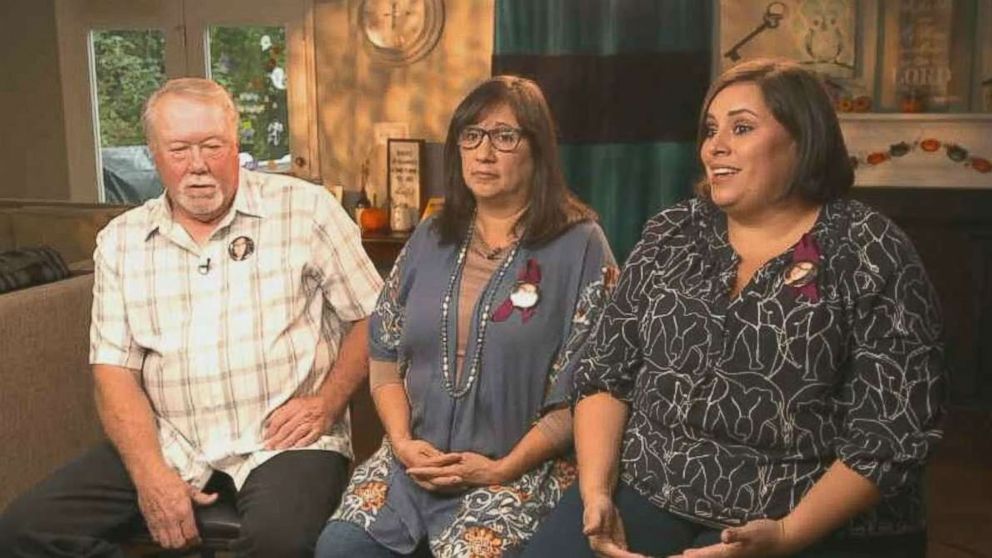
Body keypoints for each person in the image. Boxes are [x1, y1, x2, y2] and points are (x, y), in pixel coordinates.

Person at [523, 59, 946, 558]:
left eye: (741, 128)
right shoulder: (672, 232)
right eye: (710, 130)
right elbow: (603, 375)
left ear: (802, 140)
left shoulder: (872, 251)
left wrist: (789, 535)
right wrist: (596, 493)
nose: (714, 147)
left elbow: (891, 434)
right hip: (651, 486)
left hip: (805, 512)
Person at [0, 78, 382, 556]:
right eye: (179, 149)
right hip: (169, 440)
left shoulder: (307, 210)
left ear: (236, 145)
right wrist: (150, 474)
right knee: (22, 531)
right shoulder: (121, 241)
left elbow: (375, 317)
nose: (197, 165)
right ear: (154, 155)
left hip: (284, 440)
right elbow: (113, 371)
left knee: (280, 542)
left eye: (212, 146)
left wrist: (326, 402)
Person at [316, 75, 618, 558]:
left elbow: (587, 390)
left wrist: (502, 469)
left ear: (537, 149)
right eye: (471, 136)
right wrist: (399, 440)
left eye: (504, 136)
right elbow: (385, 351)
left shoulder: (580, 244)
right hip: (410, 464)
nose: (483, 153)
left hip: (517, 471)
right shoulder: (432, 232)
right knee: (339, 549)